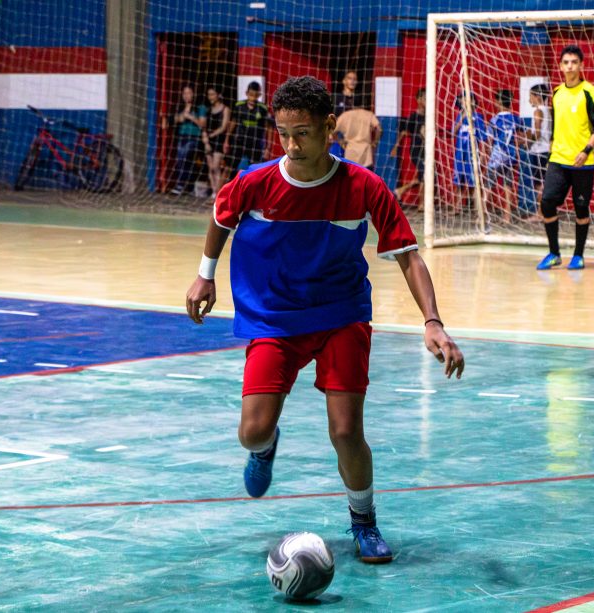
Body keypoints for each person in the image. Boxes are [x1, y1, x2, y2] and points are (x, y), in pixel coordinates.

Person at [184, 75, 464, 564]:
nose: (292, 145)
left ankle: (364, 521)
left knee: (345, 430)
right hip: (275, 318)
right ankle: (266, 448)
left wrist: (433, 321)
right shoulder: (255, 182)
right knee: (251, 431)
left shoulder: (364, 187)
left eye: (304, 133)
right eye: (284, 133)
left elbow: (408, 257)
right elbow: (221, 215)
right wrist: (204, 276)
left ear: (329, 127)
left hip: (342, 315)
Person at [536, 45, 594, 270]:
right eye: (566, 62)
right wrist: (551, 152)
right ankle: (554, 253)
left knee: (580, 209)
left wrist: (586, 150)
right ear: (560, 66)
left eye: (574, 62)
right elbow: (558, 126)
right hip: (558, 159)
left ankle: (578, 255)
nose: (569, 66)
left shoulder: (589, 91)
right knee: (547, 203)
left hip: (582, 162)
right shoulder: (556, 93)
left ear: (581, 65)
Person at [486, 89, 523, 224]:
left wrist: (486, 156)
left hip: (496, 156)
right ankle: (507, 216)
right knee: (508, 186)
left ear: (498, 102)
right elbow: (521, 138)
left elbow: (489, 141)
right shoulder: (516, 119)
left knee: (488, 185)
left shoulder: (494, 120)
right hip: (510, 156)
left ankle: (483, 216)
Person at [225, 81, 274, 178]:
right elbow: (233, 123)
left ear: (259, 95)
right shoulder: (239, 106)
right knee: (229, 168)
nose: (253, 98)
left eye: (256, 95)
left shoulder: (262, 108)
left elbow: (269, 129)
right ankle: (220, 192)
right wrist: (226, 141)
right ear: (247, 93)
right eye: (251, 95)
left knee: (255, 171)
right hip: (239, 142)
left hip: (255, 145)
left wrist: (268, 148)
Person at [452, 93, 490, 216]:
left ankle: (476, 208)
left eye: (467, 100)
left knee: (474, 182)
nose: (465, 103)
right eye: (462, 101)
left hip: (472, 155)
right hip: (460, 154)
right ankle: (456, 207)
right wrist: (462, 117)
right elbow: (453, 132)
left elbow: (482, 137)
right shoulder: (460, 116)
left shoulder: (478, 117)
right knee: (459, 183)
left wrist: (484, 153)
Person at [390, 87, 426, 205]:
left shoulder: (429, 116)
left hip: (426, 150)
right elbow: (404, 132)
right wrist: (396, 146)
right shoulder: (413, 117)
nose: (427, 101)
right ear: (419, 100)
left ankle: (401, 190)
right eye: (424, 98)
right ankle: (422, 204)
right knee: (425, 173)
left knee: (425, 175)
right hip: (416, 150)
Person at [169, 84, 207, 196]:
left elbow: (202, 124)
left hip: (194, 137)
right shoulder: (180, 107)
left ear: (193, 94)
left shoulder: (200, 107)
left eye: (189, 93)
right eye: (184, 93)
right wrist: (181, 117)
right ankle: (189, 187)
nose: (187, 96)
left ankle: (180, 185)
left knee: (184, 155)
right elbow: (174, 119)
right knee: (182, 160)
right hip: (182, 136)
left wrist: (191, 117)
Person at [524, 83, 552, 220]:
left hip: (538, 151)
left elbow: (537, 134)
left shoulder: (538, 112)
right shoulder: (549, 111)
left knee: (539, 184)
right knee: (543, 182)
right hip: (546, 150)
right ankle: (543, 211)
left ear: (536, 96)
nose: (529, 99)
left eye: (530, 96)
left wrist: (525, 141)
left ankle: (540, 212)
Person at [202, 86, 231, 199]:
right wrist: (205, 139)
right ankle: (214, 191)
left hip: (219, 140)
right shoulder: (208, 110)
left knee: (216, 167)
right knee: (210, 167)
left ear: (218, 95)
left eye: (213, 94)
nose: (211, 97)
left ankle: (219, 191)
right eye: (209, 95)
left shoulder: (225, 109)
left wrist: (211, 135)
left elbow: (223, 127)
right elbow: (204, 126)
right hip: (208, 141)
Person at [336, 100, 381, 171]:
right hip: (366, 154)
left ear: (351, 104)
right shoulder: (369, 114)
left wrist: (340, 141)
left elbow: (333, 130)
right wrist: (375, 142)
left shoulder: (345, 115)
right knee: (366, 179)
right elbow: (379, 129)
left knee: (350, 179)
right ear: (364, 104)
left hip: (351, 152)